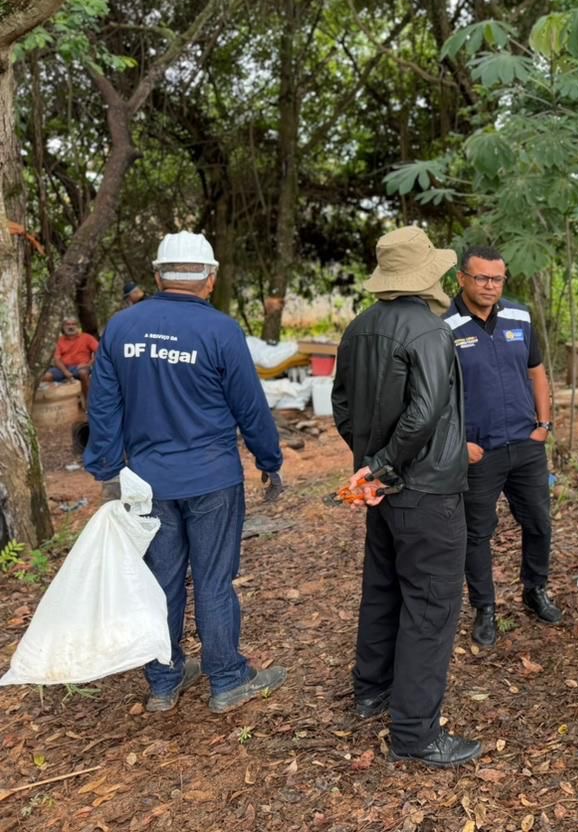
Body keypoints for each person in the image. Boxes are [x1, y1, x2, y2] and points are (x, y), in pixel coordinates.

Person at [85, 231, 287, 714]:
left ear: (157, 276)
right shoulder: (220, 330)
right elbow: (250, 406)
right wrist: (269, 460)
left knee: (160, 582)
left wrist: (107, 469)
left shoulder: (122, 328)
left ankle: (164, 681)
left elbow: (104, 407)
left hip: (148, 483)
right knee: (214, 580)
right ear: (210, 279)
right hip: (212, 478)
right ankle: (227, 679)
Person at [331, 225, 480, 767]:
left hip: (386, 488)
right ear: (427, 275)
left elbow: (341, 405)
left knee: (384, 586)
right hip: (426, 488)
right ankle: (415, 733)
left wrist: (371, 462)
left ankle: (372, 690)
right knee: (431, 603)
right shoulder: (430, 331)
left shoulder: (359, 327)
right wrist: (387, 464)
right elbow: (425, 411)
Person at [444, 245, 563, 647]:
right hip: (480, 450)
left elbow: (536, 372)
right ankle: (485, 608)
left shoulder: (520, 316)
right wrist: (458, 443)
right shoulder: (444, 327)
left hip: (526, 444)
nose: (490, 286)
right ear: (461, 278)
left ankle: (535, 589)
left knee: (539, 523)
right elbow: (437, 394)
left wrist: (544, 425)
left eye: (497, 279)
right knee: (477, 533)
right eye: (481, 278)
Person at [47, 316, 98, 386]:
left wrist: (89, 364)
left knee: (83, 373)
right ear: (63, 327)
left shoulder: (87, 337)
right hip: (63, 368)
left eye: (73, 324)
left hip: (80, 367)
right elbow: (57, 359)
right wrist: (65, 372)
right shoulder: (59, 340)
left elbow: (100, 351)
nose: (71, 327)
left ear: (77, 326)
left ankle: (88, 393)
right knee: (46, 376)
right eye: (68, 324)